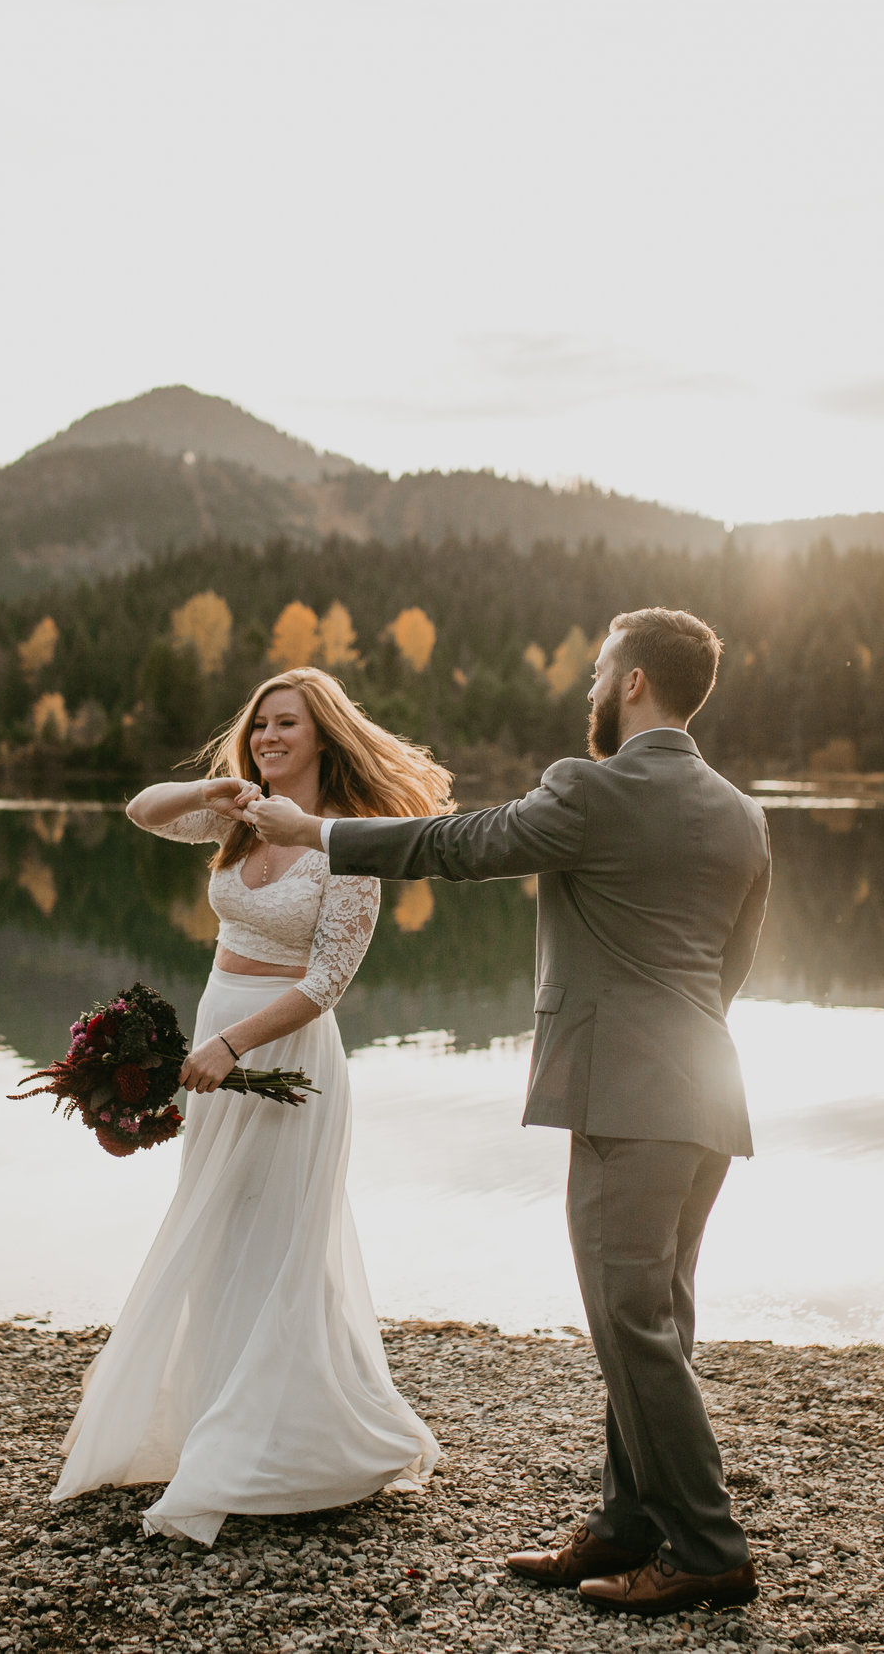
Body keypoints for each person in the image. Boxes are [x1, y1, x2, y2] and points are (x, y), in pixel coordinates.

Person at [246, 607, 771, 1616]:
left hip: (628, 1096)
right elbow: (731, 969)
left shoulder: (595, 788)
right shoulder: (741, 811)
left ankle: (707, 1546)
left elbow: (462, 842)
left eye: (596, 665)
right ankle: (628, 1523)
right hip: (706, 1088)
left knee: (632, 1326)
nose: (586, 684)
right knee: (654, 1317)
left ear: (631, 684)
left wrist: (317, 831)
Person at [51, 666, 456, 1545]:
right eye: (262, 724)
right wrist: (212, 785)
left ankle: (277, 1444)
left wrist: (235, 1046)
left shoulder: (345, 843)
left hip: (283, 1055)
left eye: (288, 726)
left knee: (279, 1236)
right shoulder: (236, 817)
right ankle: (213, 1418)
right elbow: (141, 811)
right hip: (213, 1037)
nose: (270, 737)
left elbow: (328, 982)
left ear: (324, 738)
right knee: (223, 1224)